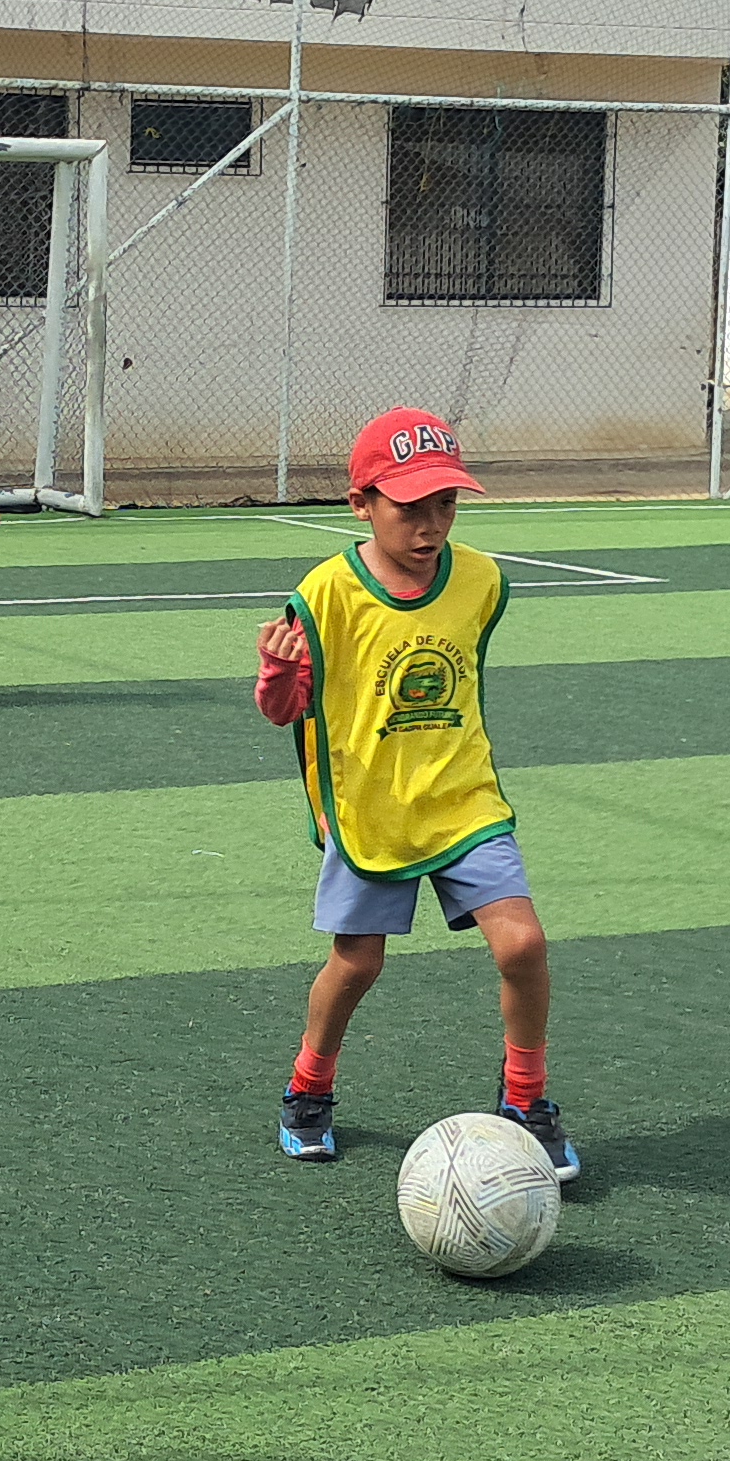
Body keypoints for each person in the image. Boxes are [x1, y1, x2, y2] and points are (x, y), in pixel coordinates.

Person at [253, 409, 571, 1182]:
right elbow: (285, 711)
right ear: (361, 504)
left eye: (446, 505)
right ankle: (308, 1088)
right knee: (357, 964)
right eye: (409, 508)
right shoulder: (325, 595)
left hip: (464, 801)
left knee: (523, 945)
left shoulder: (482, 581)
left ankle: (525, 1101)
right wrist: (279, 674)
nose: (430, 526)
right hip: (371, 811)